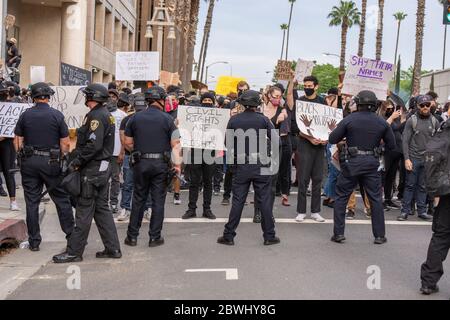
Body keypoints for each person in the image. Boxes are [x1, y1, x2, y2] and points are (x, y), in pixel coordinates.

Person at [53, 84, 122, 263]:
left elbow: (93, 145)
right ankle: (112, 248)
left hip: (92, 169)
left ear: (92, 96)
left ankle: (74, 252)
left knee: (84, 210)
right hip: (101, 168)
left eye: (87, 95)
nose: (85, 97)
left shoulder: (97, 116)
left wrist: (77, 162)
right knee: (101, 209)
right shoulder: (104, 113)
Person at [13, 83, 74, 251]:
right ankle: (71, 236)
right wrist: (63, 159)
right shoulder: (56, 115)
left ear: (33, 97)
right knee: (61, 199)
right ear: (49, 97)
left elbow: (17, 139)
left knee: (32, 202)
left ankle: (34, 241)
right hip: (51, 163)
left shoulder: (25, 115)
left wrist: (21, 156)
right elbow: (65, 142)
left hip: (29, 162)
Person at [329, 90, 396, 244]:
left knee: (341, 197)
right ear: (374, 105)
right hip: (372, 163)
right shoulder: (381, 122)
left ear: (358, 103)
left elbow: (333, 138)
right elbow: (392, 145)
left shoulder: (349, 119)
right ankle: (379, 236)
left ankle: (338, 234)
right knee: (375, 199)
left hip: (352, 162)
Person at [217, 90, 280, 246]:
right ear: (257, 104)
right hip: (261, 164)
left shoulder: (234, 120)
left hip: (242, 165)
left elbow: (227, 143)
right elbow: (276, 141)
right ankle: (269, 235)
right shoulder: (264, 120)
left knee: (238, 200)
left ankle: (229, 235)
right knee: (264, 200)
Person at [123, 86, 181, 248]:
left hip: (140, 163)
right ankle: (154, 237)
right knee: (158, 201)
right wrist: (177, 166)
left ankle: (132, 237)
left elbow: (127, 142)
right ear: (161, 100)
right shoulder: (168, 120)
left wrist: (138, 151)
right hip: (160, 164)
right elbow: (176, 144)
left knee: (138, 199)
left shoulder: (134, 118)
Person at [288, 75, 327, 223]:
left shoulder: (322, 102)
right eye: (305, 86)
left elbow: (328, 122)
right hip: (304, 144)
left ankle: (316, 211)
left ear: (316, 86)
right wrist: (292, 81)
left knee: (317, 178)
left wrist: (325, 139)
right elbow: (296, 126)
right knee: (303, 179)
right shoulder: (301, 102)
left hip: (320, 146)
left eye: (310, 86)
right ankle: (301, 211)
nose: (307, 88)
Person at [420, 107, 450, 295]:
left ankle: (428, 281)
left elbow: (432, 157)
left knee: (441, 236)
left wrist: (434, 190)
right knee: (440, 236)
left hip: (447, 191)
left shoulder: (444, 132)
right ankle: (429, 280)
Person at [398, 95, 439, 221]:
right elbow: (405, 141)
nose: (425, 107)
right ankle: (405, 211)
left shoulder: (434, 121)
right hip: (413, 159)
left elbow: (438, 141)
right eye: (422, 105)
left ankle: (422, 211)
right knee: (410, 185)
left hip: (428, 160)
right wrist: (407, 159)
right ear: (417, 106)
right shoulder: (412, 120)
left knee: (423, 186)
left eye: (427, 105)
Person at [182, 92, 217, 220]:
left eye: (209, 100)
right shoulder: (193, 116)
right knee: (194, 182)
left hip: (210, 151)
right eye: (205, 99)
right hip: (195, 151)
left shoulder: (217, 116)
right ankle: (191, 209)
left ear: (213, 102)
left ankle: (207, 209)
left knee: (208, 182)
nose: (207, 102)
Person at [118, 94, 152, 222]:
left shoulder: (148, 119)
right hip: (131, 156)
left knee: (144, 183)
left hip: (138, 155)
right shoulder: (126, 120)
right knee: (128, 183)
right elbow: (123, 140)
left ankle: (148, 208)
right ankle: (126, 208)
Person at [108, 93, 128, 215]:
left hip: (116, 153)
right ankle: (103, 202)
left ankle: (113, 202)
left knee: (115, 178)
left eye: (113, 97)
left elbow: (124, 136)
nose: (111, 99)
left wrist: (122, 152)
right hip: (103, 153)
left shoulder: (123, 116)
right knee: (103, 178)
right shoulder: (102, 114)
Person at [0, 82, 18, 211]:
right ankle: (13, 201)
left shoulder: (12, 107)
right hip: (7, 143)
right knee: (8, 172)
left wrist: (5, 136)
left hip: (7, 143)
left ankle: (13, 201)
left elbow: (15, 126)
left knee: (8, 172)